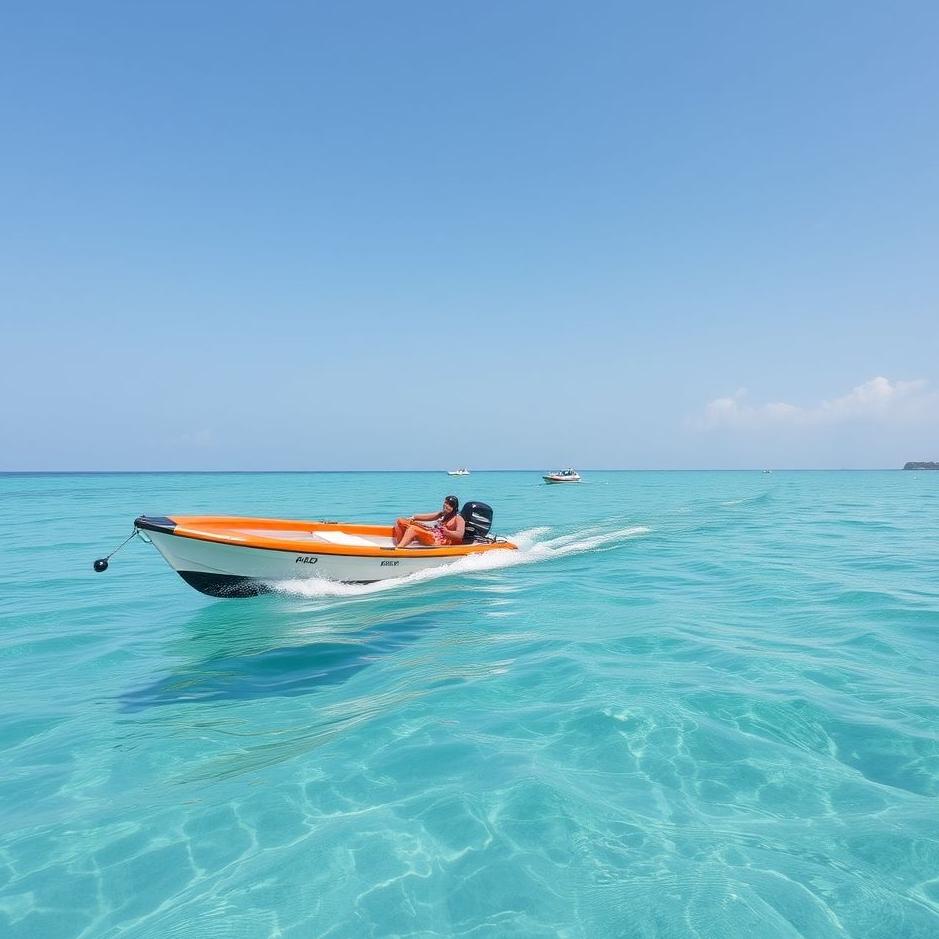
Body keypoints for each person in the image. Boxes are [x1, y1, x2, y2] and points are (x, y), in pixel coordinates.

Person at [393, 495, 466, 548]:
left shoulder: (458, 518)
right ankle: (401, 543)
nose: (446, 505)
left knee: (413, 529)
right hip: (432, 533)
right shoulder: (443, 514)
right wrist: (413, 517)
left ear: (454, 507)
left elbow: (460, 535)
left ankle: (399, 548)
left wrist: (448, 532)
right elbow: (429, 516)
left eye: (449, 504)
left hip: (439, 541)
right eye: (445, 502)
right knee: (401, 520)